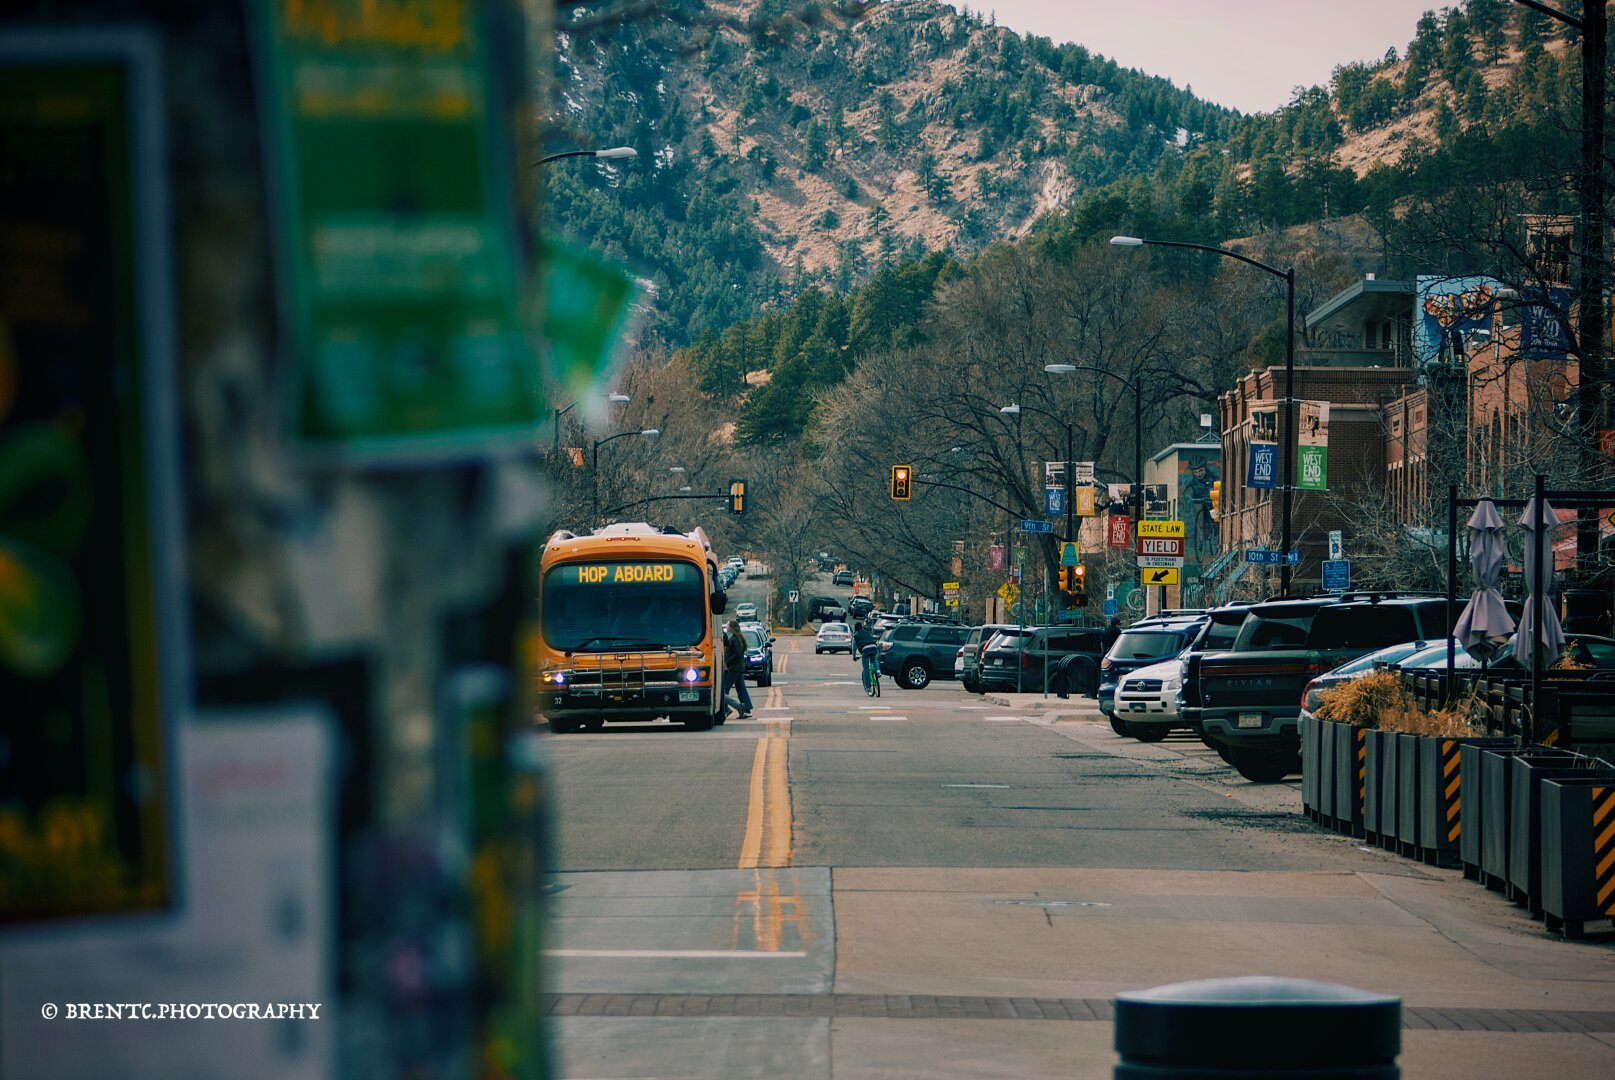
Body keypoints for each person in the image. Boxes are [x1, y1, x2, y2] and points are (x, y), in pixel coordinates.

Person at [722, 618, 753, 719]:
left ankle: (725, 709)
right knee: (741, 689)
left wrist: (726, 662)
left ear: (731, 628)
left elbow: (736, 654)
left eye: (727, 626)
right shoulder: (736, 638)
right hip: (738, 668)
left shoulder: (735, 639)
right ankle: (746, 710)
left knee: (724, 690)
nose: (726, 628)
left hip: (733, 669)